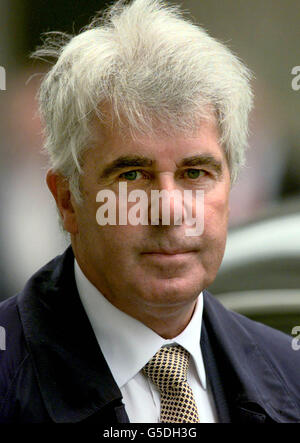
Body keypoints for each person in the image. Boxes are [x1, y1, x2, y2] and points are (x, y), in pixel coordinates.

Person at [0, 0, 299, 424]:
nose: (170, 211)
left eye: (195, 172)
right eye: (133, 175)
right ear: (67, 200)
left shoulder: (291, 376)